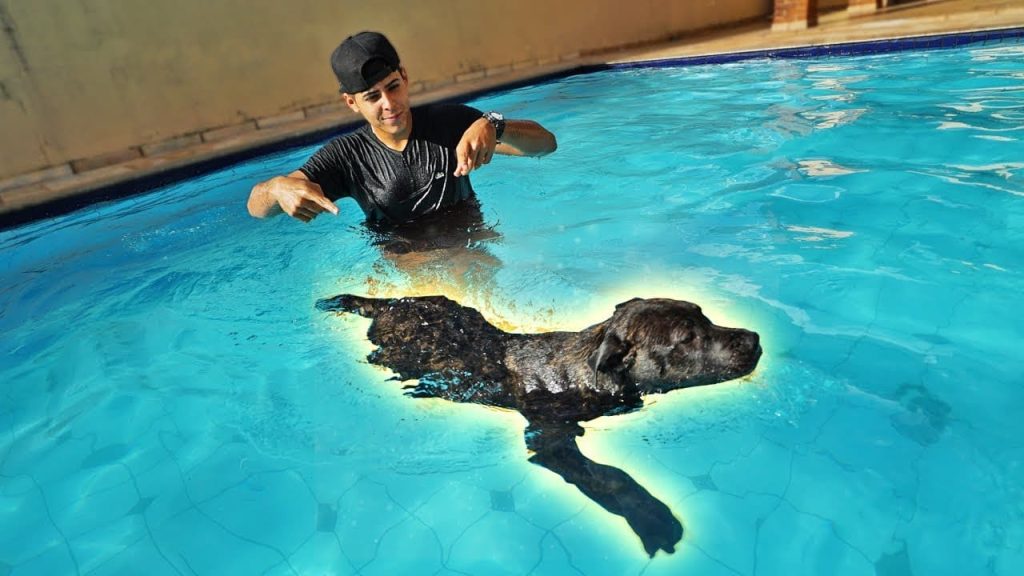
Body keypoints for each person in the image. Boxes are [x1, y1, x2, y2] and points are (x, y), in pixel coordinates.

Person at [246, 31, 557, 237]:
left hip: (473, 253)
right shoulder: (346, 157)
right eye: (372, 97)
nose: (389, 104)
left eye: (393, 87)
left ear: (405, 77)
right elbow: (256, 209)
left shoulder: (450, 125)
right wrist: (276, 188)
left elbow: (545, 145)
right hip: (408, 279)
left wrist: (494, 124)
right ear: (351, 103)